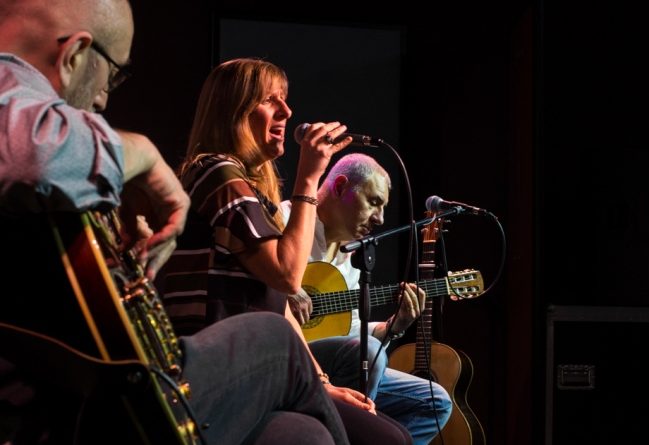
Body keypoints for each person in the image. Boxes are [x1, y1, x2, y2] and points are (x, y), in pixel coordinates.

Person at [0, 1, 349, 444]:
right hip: (81, 408)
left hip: (83, 390)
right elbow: (26, 152)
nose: (105, 98)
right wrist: (140, 154)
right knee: (275, 342)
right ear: (74, 54)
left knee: (300, 435)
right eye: (113, 74)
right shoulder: (19, 109)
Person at [159, 57, 412, 445]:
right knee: (384, 440)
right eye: (270, 100)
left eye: (286, 100)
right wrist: (309, 177)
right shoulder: (218, 174)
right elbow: (288, 275)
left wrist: (322, 383)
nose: (288, 112)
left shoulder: (248, 189)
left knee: (338, 434)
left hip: (259, 364)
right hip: (223, 369)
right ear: (235, 111)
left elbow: (279, 306)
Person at [282, 153, 453, 445]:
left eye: (384, 207)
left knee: (435, 401)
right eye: (374, 202)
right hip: (291, 358)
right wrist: (282, 288)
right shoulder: (286, 220)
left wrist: (395, 325)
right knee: (367, 352)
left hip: (335, 360)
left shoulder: (349, 259)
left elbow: (351, 331)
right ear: (339, 187)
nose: (381, 218)